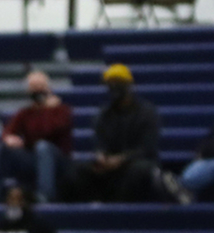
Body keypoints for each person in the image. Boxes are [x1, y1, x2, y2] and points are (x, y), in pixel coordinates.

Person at [66, 65, 170, 204]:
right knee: (79, 169)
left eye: (118, 83)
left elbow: (147, 148)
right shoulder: (104, 114)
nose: (114, 87)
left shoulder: (147, 113)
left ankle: (122, 211)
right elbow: (100, 143)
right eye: (110, 84)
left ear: (129, 85)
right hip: (110, 164)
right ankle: (92, 209)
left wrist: (121, 159)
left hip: (136, 162)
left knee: (139, 170)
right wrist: (101, 155)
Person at [0, 72, 74, 204]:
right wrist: (9, 139)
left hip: (57, 160)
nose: (37, 91)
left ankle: (45, 196)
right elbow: (8, 131)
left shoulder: (62, 110)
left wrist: (47, 111)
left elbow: (48, 131)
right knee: (1, 147)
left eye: (40, 86)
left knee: (42, 146)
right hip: (32, 160)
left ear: (48, 88)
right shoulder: (25, 113)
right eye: (33, 87)